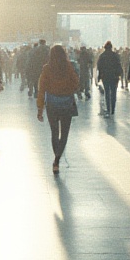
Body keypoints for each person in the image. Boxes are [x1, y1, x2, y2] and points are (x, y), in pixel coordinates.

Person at [37, 44, 80, 174]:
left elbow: (41, 89)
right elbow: (76, 83)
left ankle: (56, 157)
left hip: (52, 104)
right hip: (66, 103)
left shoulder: (46, 69)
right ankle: (57, 159)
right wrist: (67, 90)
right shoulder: (69, 67)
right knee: (65, 133)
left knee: (54, 132)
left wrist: (40, 108)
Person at [96, 41, 123, 117]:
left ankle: (108, 109)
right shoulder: (115, 55)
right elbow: (119, 65)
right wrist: (119, 74)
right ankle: (113, 109)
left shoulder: (102, 56)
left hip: (105, 76)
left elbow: (99, 67)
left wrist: (99, 77)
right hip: (114, 76)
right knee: (113, 93)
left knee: (107, 93)